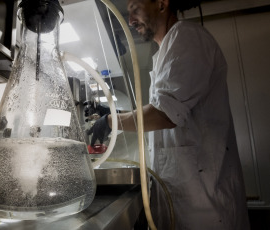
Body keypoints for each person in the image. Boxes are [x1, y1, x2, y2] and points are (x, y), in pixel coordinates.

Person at [86, 0, 250, 229]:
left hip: (204, 207)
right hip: (184, 197)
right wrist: (113, 113)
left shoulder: (187, 37)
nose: (130, 20)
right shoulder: (167, 49)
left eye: (135, 9)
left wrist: (111, 121)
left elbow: (163, 115)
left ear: (162, 3)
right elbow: (164, 108)